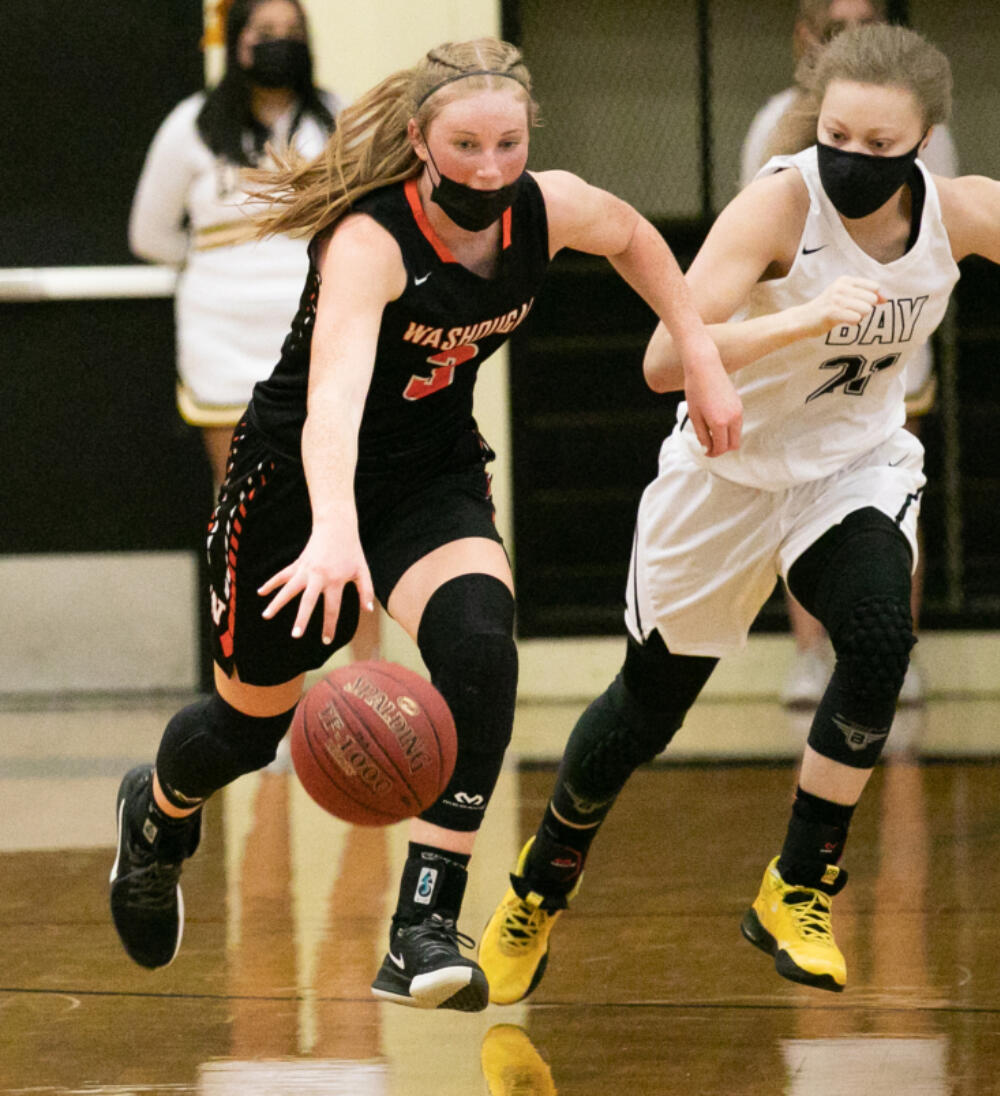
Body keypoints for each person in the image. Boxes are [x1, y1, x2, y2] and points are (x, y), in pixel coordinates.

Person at [108, 37, 741, 1014]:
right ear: (418, 140)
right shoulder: (372, 240)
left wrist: (697, 347)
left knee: (481, 645)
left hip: (428, 476)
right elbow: (330, 405)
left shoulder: (546, 206)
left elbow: (630, 237)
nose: (489, 167)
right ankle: (154, 814)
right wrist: (328, 529)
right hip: (292, 482)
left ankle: (422, 924)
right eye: (465, 145)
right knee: (247, 726)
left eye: (508, 143)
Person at [479, 23, 1000, 1001]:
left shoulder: (958, 214)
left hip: (848, 467)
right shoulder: (775, 209)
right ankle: (537, 889)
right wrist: (796, 315)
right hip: (726, 473)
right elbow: (663, 362)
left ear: (922, 143)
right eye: (836, 132)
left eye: (878, 146)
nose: (850, 156)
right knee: (643, 711)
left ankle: (796, 883)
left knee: (881, 638)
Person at [128, 0, 381, 660]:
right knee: (242, 512)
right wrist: (222, 266)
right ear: (235, 43)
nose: (279, 44)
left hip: (324, 330)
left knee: (348, 500)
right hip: (221, 338)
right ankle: (255, 692)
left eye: (292, 34)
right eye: (265, 34)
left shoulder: (341, 118)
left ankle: (368, 679)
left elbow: (377, 219)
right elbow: (149, 235)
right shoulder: (190, 126)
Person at [742, 0, 958, 709]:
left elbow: (943, 237)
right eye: (837, 26)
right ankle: (810, 656)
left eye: (865, 22)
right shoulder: (773, 124)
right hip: (796, 343)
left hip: (887, 341)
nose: (851, 38)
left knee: (894, 496)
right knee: (792, 492)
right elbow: (750, 249)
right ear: (805, 37)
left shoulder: (927, 127)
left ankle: (893, 651)